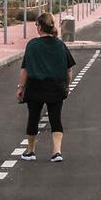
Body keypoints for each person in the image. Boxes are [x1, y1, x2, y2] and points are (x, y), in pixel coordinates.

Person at [16, 12, 75, 162]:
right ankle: (57, 152)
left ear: (40, 27)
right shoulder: (60, 45)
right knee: (56, 118)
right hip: (56, 86)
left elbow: (25, 70)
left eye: (36, 24)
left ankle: (30, 151)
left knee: (33, 118)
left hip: (35, 86)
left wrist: (20, 88)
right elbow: (69, 70)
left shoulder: (32, 45)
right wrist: (67, 86)